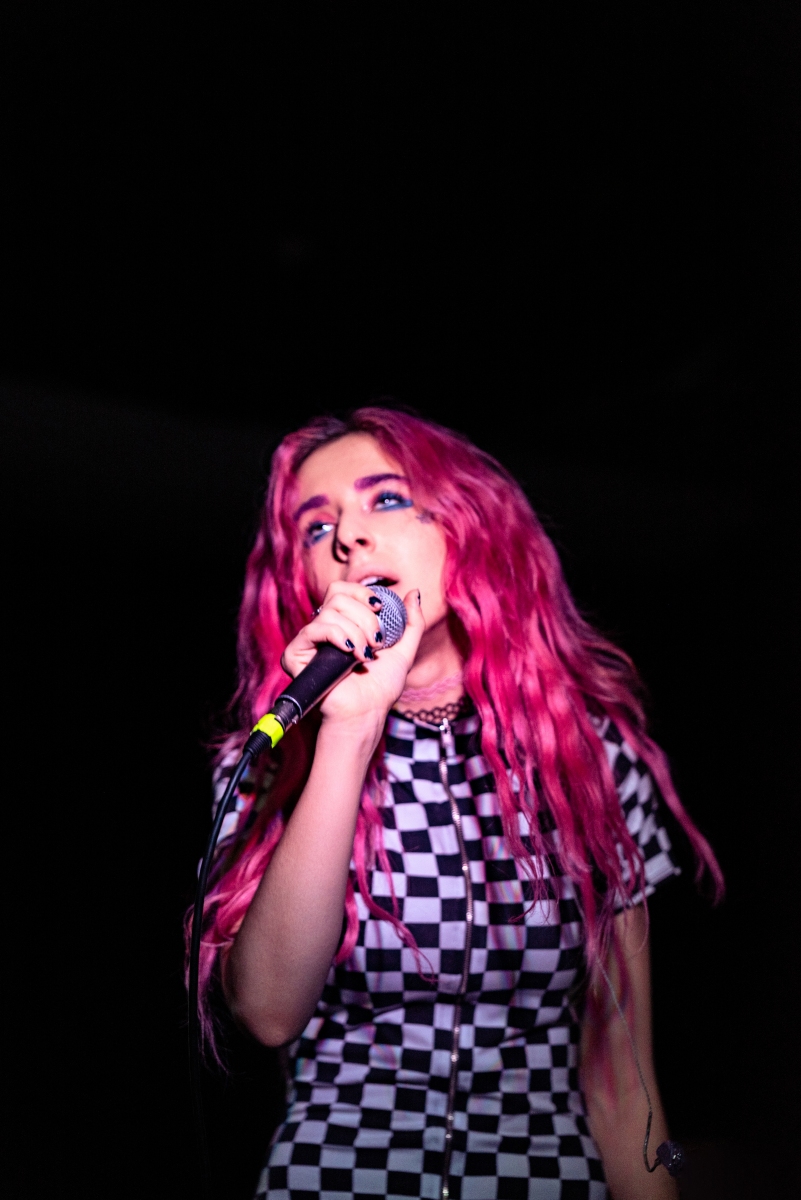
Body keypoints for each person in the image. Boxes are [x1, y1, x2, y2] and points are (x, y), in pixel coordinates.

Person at [191, 407, 722, 1200]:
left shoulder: (590, 756)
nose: (348, 537)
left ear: (465, 525)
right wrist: (349, 730)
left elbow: (624, 1089)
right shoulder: (273, 756)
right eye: (315, 528)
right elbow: (267, 1011)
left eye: (386, 499)